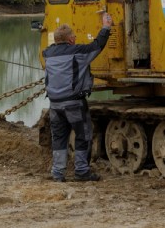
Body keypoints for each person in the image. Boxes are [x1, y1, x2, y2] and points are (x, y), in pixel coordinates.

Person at [43, 10, 113, 182]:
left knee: (59, 138)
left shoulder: (48, 54)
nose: (75, 38)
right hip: (73, 104)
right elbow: (97, 45)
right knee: (83, 135)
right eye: (73, 36)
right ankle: (81, 171)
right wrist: (106, 26)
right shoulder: (78, 52)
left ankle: (58, 173)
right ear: (70, 39)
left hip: (55, 105)